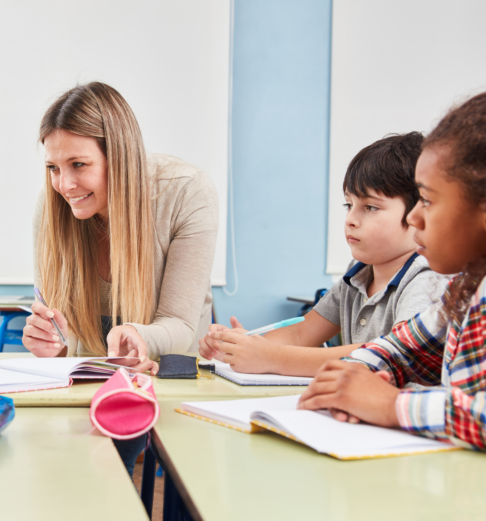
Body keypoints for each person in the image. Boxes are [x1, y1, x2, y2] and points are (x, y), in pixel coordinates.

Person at [22, 82, 219, 475]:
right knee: (72, 469)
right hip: (94, 377)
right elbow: (64, 338)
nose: (64, 185)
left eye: (79, 165)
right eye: (53, 168)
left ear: (120, 156)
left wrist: (139, 335)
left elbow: (179, 324)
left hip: (170, 367)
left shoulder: (186, 192)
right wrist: (50, 344)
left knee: (168, 472)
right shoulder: (52, 206)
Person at [298, 91, 486, 450]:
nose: (414, 218)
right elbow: (403, 347)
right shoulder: (465, 289)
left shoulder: (433, 281)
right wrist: (353, 376)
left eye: (427, 201)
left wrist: (389, 405)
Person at [199, 132, 448, 376]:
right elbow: (300, 333)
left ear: (420, 210)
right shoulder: (358, 271)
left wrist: (271, 357)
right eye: (349, 205)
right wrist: (242, 346)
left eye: (370, 207)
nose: (351, 219)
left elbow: (389, 355)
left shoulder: (426, 276)